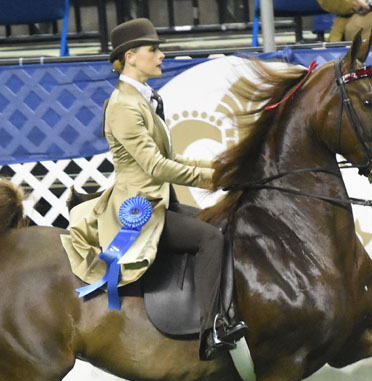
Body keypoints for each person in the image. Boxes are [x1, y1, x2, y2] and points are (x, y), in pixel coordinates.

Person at [61, 18, 247, 361]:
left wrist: (223, 168)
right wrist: (214, 180)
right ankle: (213, 330)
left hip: (161, 201)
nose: (161, 55)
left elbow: (170, 156)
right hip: (138, 209)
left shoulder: (145, 99)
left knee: (221, 224)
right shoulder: (123, 107)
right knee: (210, 239)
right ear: (131, 56)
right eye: (153, 49)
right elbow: (156, 167)